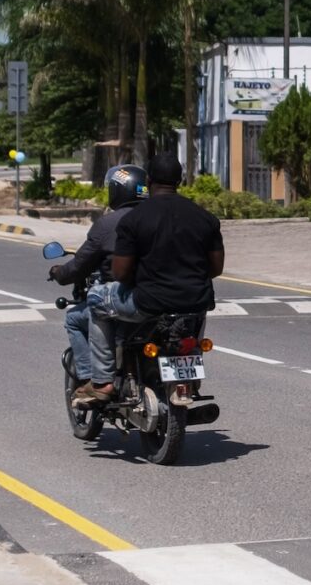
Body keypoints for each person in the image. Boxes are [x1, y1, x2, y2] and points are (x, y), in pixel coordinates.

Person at [75, 152, 224, 408]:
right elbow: (216, 268)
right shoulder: (204, 217)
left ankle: (101, 381)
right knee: (192, 315)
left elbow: (121, 273)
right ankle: (190, 374)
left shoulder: (134, 219)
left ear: (150, 180)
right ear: (180, 180)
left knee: (96, 298)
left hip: (148, 303)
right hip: (195, 302)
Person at [51, 165, 145, 401]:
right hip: (164, 297)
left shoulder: (108, 223)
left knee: (75, 317)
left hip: (125, 298)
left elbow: (81, 263)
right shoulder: (159, 217)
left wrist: (59, 272)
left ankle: (94, 379)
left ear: (117, 190)